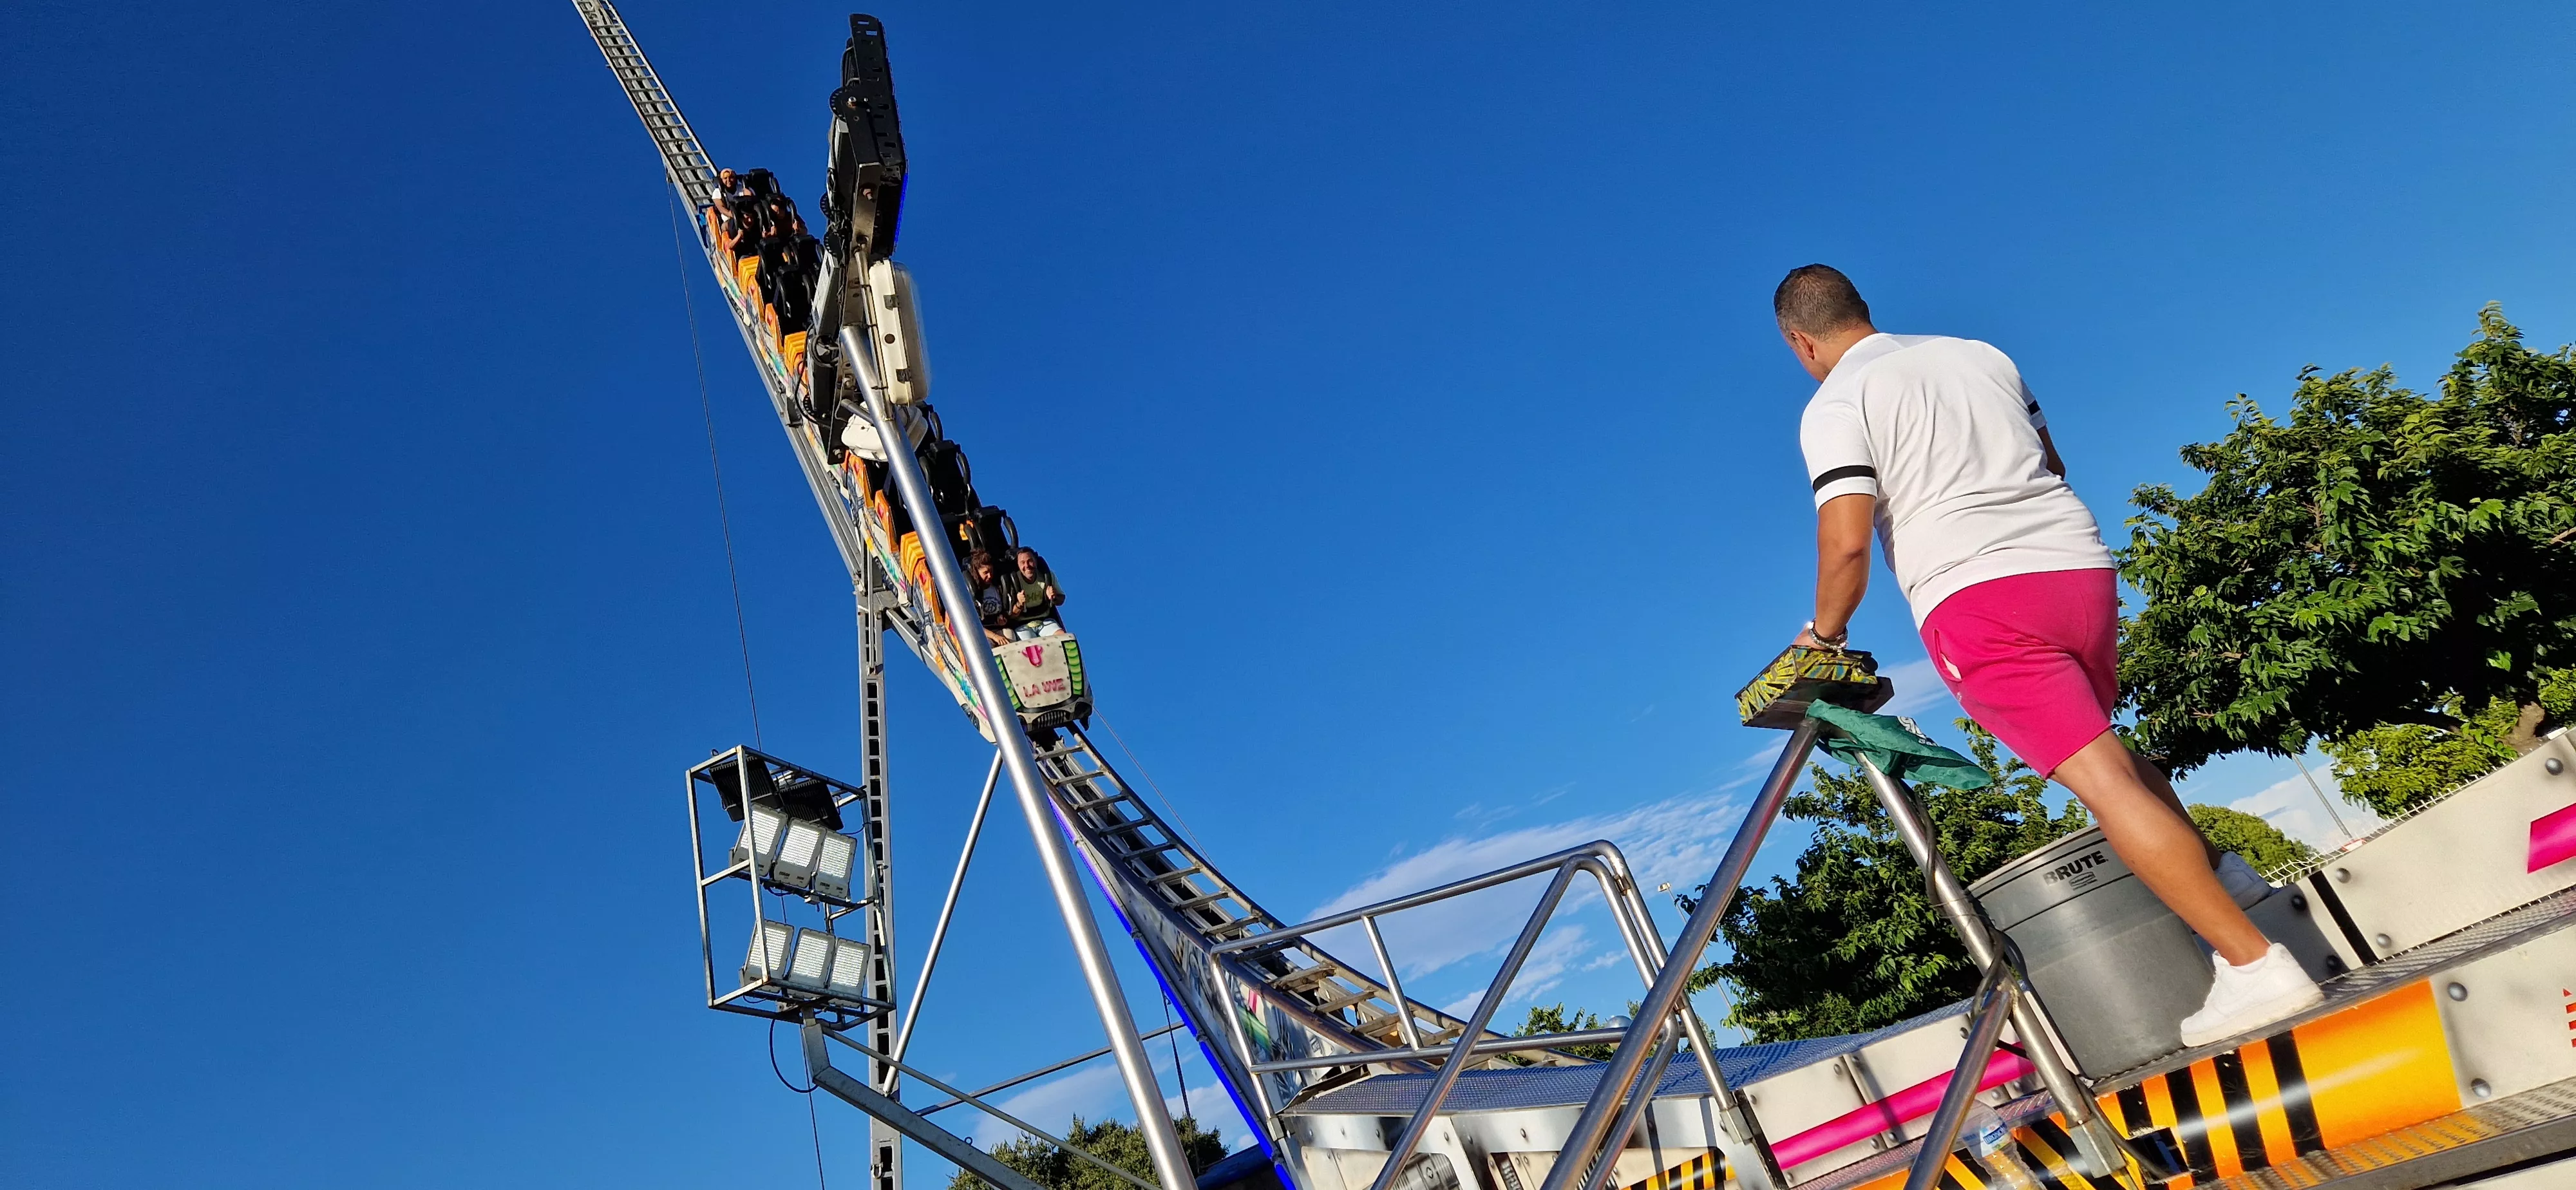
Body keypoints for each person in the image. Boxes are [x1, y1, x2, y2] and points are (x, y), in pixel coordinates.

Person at [1772, 263, 2320, 1048]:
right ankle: (2222, 872)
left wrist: (1821, 635)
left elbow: (1847, 540)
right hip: (2076, 571)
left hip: (1977, 596)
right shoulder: (1979, 354)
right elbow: (2051, 463)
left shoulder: (1834, 403)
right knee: (2103, 745)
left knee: (2096, 780)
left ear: (1802, 343)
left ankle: (2253, 964)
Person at [1005, 547, 1065, 639]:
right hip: (1023, 626)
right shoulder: (1014, 583)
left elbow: (1062, 600)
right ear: (1018, 565)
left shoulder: (1047, 577)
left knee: (1062, 637)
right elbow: (1011, 615)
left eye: (1030, 561)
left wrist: (1054, 597)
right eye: (1023, 563)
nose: (1027, 565)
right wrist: (1019, 604)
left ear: (1036, 562)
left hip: (1045, 621)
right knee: (1029, 645)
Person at [968, 550, 1012, 646]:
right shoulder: (972, 593)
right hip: (982, 632)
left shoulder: (998, 588)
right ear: (977, 573)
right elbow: (972, 623)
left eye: (991, 571)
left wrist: (1003, 619)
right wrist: (994, 636)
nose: (990, 576)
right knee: (987, 645)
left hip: (998, 628)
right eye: (986, 573)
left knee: (1010, 636)